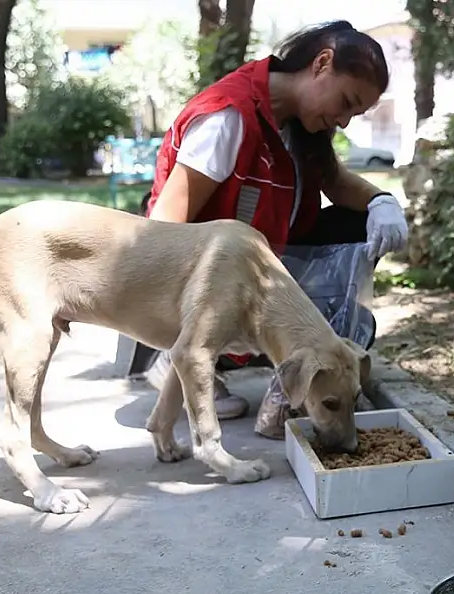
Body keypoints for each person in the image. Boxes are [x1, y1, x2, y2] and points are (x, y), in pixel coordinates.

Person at [139, 20, 409, 420]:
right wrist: (186, 326)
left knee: (358, 224)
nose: (345, 121)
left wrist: (381, 200)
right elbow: (165, 230)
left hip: (263, 271)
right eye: (347, 102)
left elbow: (335, 182)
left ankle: (300, 373)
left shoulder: (299, 126)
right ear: (321, 64)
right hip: (206, 283)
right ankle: (185, 359)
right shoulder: (229, 117)